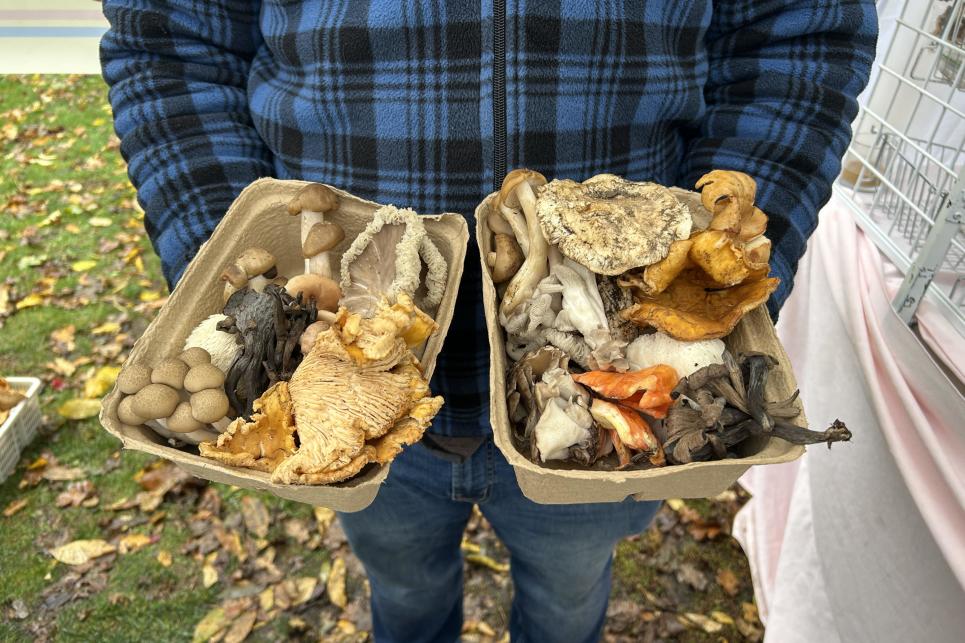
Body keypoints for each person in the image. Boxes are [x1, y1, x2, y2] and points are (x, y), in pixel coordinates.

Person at [101, 2, 876, 641]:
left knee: (569, 599)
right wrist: (242, 283)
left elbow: (802, 37)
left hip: (606, 397)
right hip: (338, 388)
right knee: (403, 592)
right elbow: (168, 44)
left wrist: (710, 291)